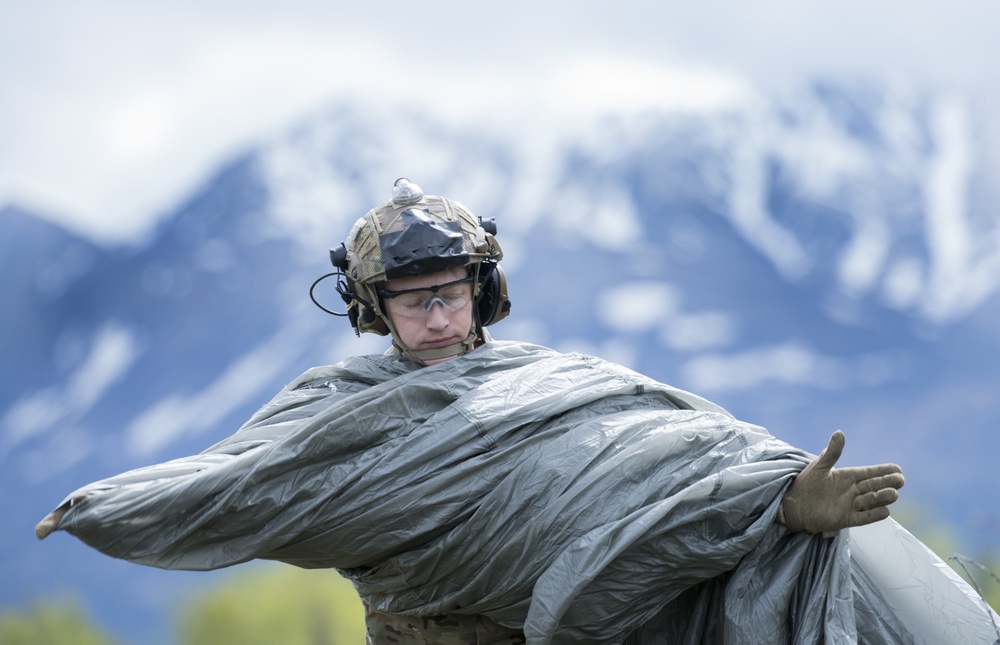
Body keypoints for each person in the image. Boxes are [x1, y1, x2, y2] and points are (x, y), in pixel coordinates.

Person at [36, 179, 996, 644]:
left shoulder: (566, 384)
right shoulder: (333, 406)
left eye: (452, 291)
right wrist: (110, 504)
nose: (438, 313)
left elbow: (670, 468)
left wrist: (778, 502)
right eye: (415, 300)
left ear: (483, 290)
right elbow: (244, 485)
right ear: (377, 309)